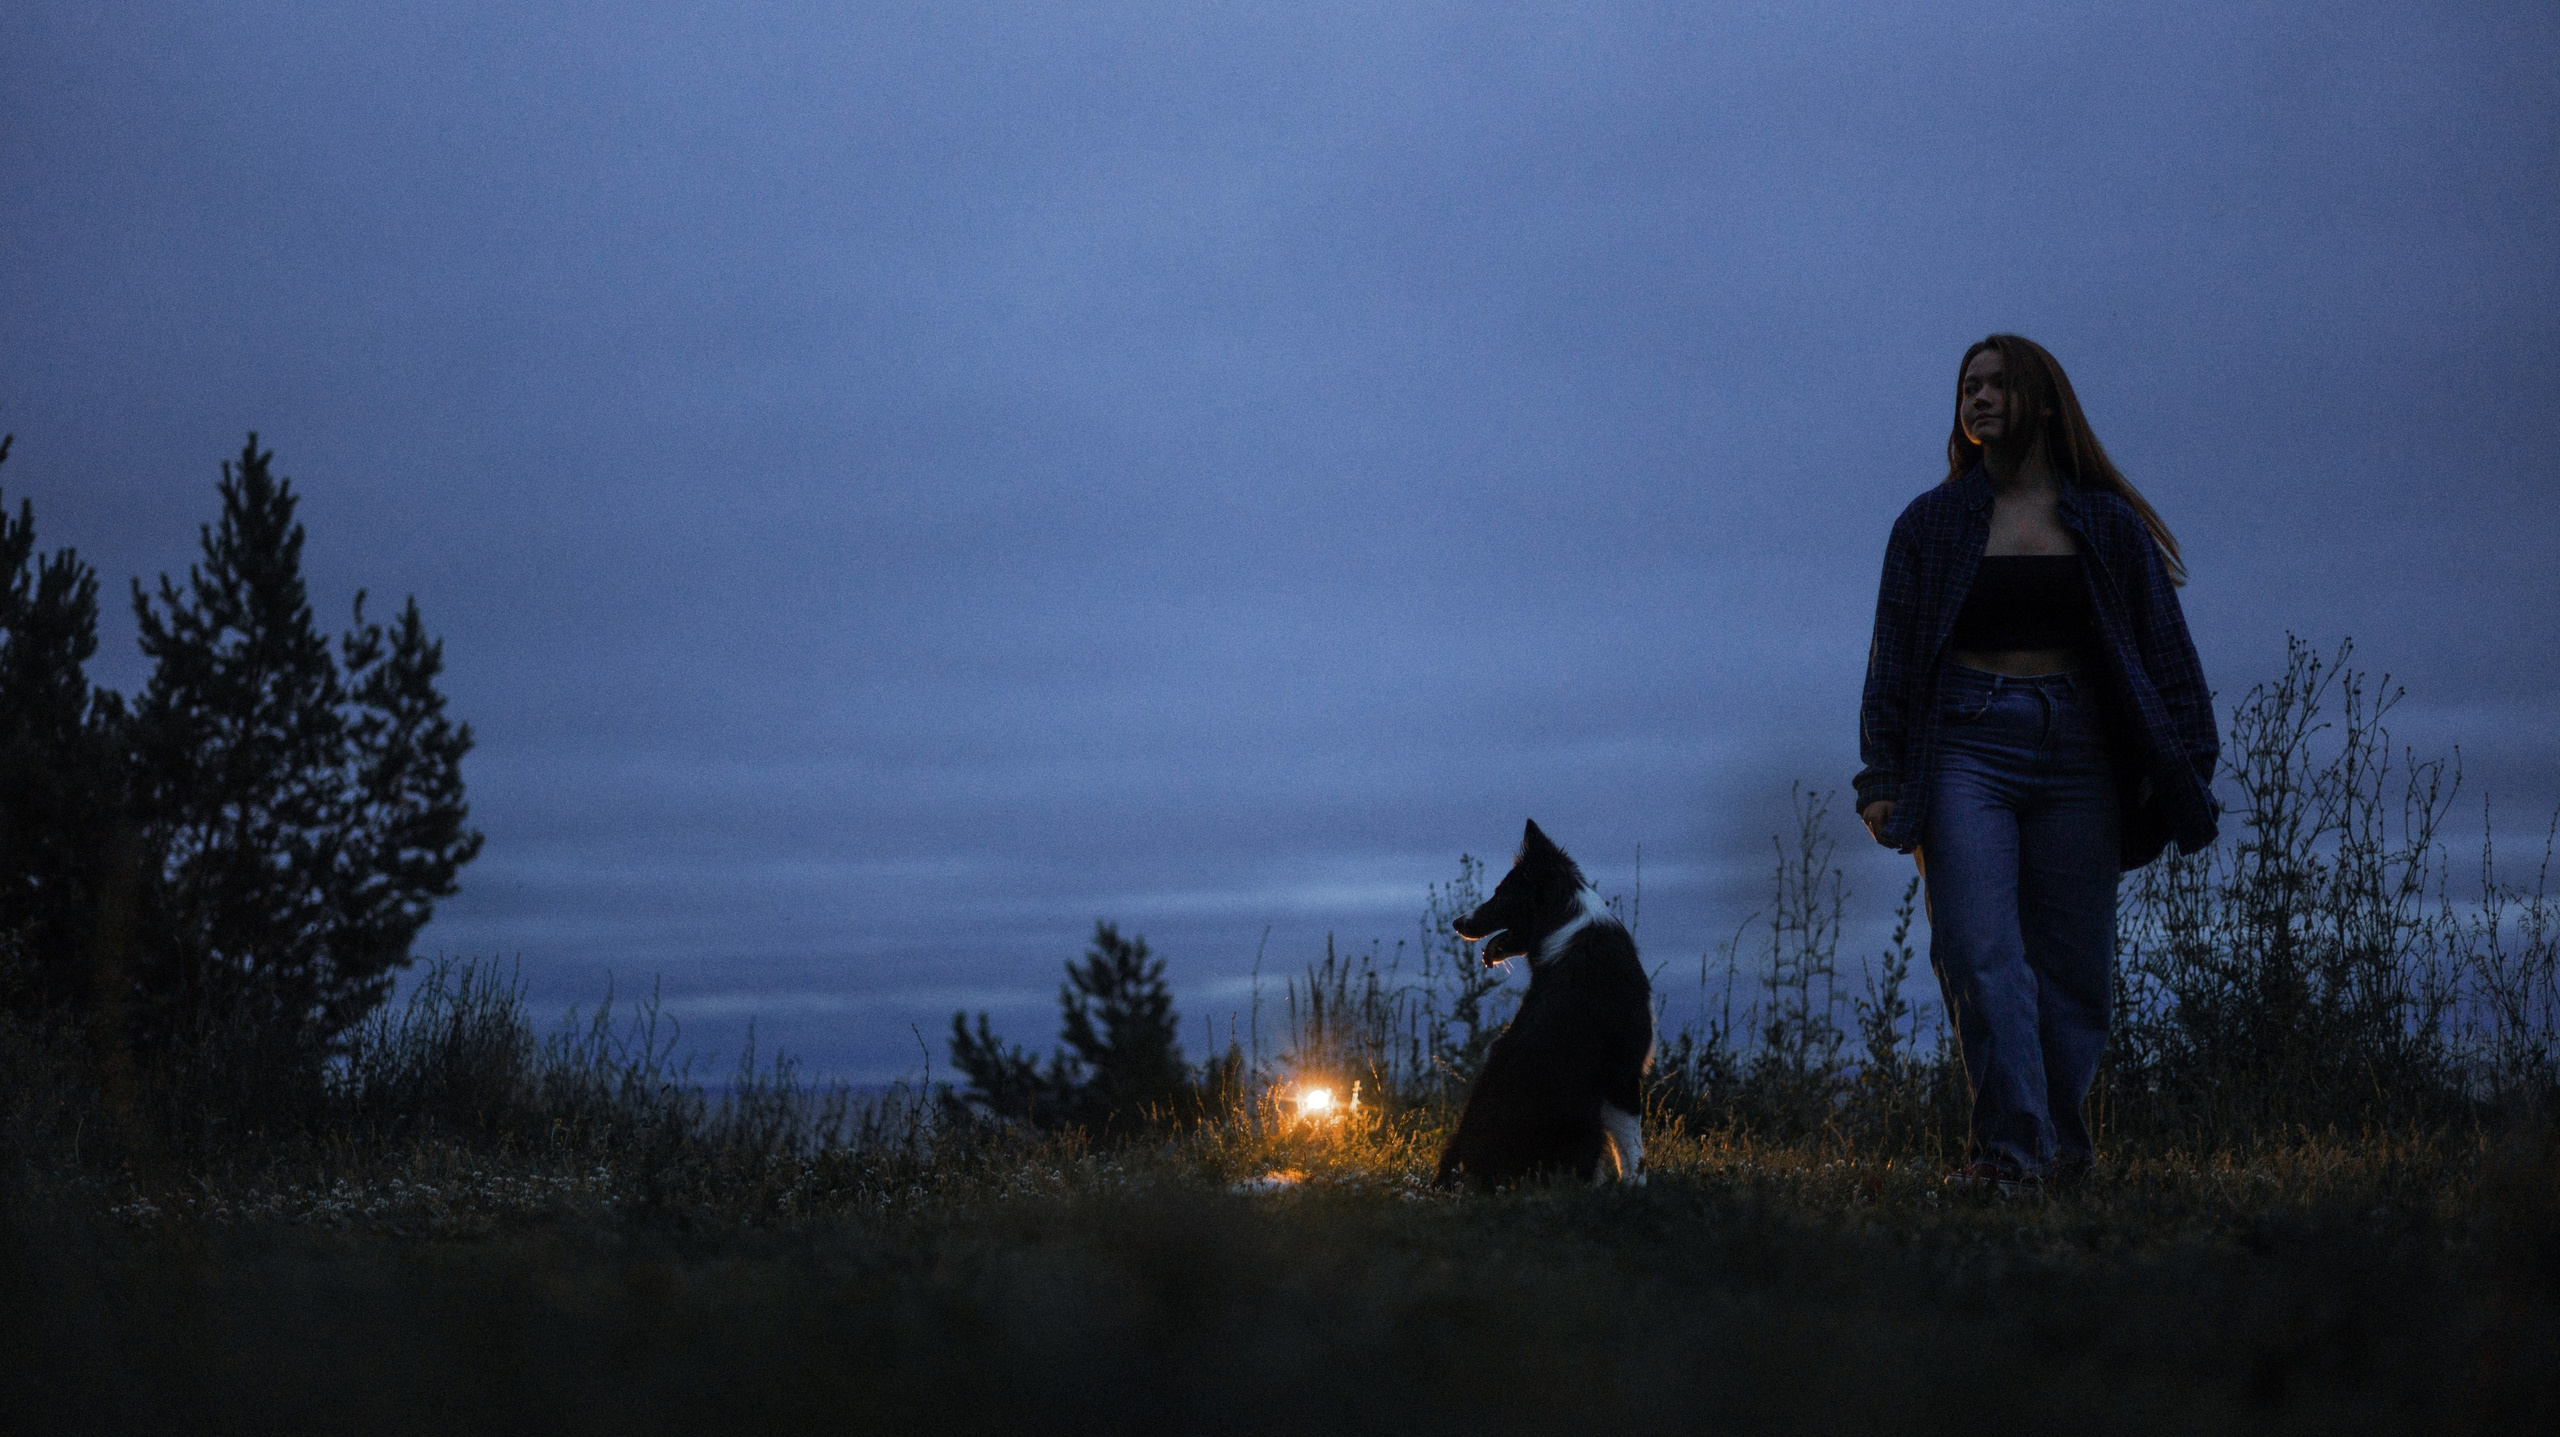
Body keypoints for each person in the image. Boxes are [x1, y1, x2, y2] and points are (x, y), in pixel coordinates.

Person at [1854, 334, 2219, 1191]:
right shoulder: (1929, 524)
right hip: (1965, 747)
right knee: (1979, 951)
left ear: (2044, 401)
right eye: (1967, 387)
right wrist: (1880, 776)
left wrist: (2184, 770)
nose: (1977, 399)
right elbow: (1892, 661)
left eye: (1997, 385)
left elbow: (2168, 656)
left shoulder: (2107, 524)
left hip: (2080, 754)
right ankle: (2010, 1154)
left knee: (2073, 968)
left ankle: (2061, 1152)